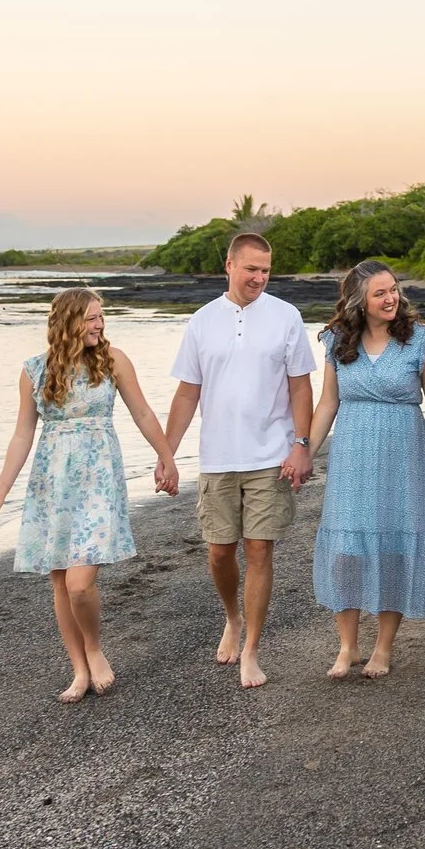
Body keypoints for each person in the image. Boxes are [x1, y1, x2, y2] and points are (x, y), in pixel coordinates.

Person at [0, 288, 180, 702]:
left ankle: (95, 650)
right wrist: (0, 490)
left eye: (101, 317)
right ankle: (78, 669)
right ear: (67, 322)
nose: (99, 324)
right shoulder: (35, 370)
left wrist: (166, 456)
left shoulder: (114, 360)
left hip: (99, 476)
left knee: (81, 582)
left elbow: (142, 412)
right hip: (53, 481)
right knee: (61, 582)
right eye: (90, 318)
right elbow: (22, 434)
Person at [161, 230, 315, 689]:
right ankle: (232, 616)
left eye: (266, 270)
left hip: (271, 455)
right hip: (218, 456)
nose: (260, 278)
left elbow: (301, 386)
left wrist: (301, 444)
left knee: (259, 549)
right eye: (251, 269)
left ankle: (252, 649)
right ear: (228, 265)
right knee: (218, 552)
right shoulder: (202, 321)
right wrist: (166, 454)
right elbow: (188, 393)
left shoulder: (287, 316)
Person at [306, 259, 425, 677]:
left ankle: (383, 648)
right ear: (359, 301)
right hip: (351, 452)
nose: (391, 298)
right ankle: (347, 647)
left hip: (402, 451)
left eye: (394, 289)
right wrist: (306, 452)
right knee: (346, 552)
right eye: (380, 293)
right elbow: (328, 402)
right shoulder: (337, 341)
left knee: (394, 547)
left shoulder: (421, 340)